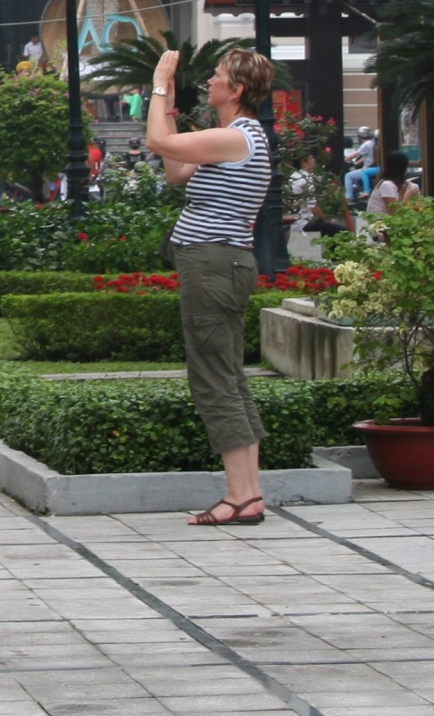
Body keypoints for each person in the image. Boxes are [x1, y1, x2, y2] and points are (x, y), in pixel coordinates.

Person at [142, 44, 280, 529]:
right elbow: (176, 170)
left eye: (217, 76)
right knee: (227, 374)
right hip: (221, 261)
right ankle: (248, 493)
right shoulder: (235, 139)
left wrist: (159, 87)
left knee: (214, 377)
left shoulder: (235, 137)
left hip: (214, 261)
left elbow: (156, 142)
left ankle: (241, 495)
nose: (210, 81)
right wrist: (169, 103)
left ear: (236, 89)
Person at [343, 128, 380, 204]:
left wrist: (344, 159)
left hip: (369, 167)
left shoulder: (366, 144)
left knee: (348, 176)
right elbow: (365, 156)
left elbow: (356, 154)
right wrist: (357, 163)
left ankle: (349, 197)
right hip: (371, 166)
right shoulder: (372, 143)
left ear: (359, 136)